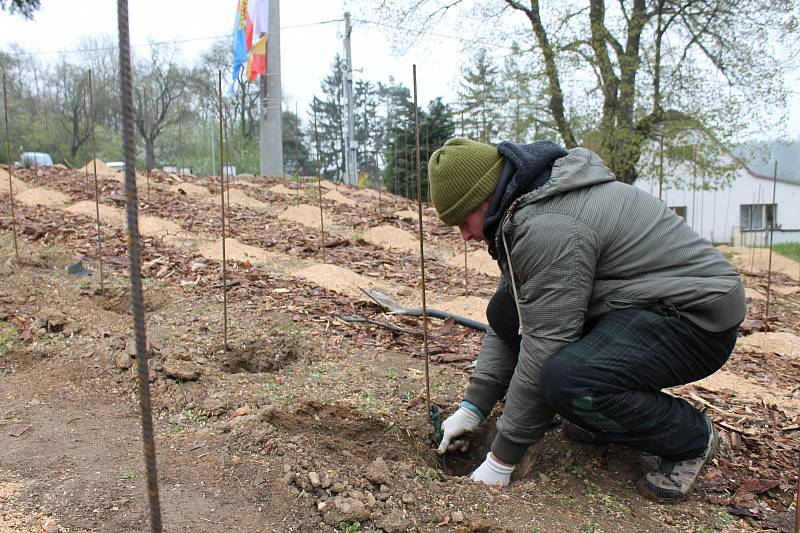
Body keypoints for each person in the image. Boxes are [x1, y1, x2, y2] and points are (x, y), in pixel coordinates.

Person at [428, 138, 746, 501]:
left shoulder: (548, 227)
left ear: (485, 197)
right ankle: (599, 410)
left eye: (463, 220)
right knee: (504, 308)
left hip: (694, 317)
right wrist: (473, 406)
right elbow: (514, 315)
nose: (465, 234)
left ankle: (690, 438)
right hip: (637, 300)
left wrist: (501, 461)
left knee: (569, 381)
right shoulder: (525, 205)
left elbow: (547, 343)